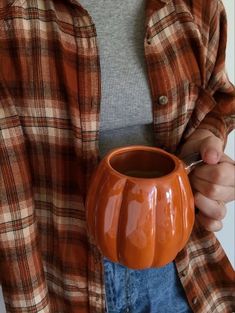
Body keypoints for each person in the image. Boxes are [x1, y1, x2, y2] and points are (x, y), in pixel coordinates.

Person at [0, 0, 234, 312]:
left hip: (181, 270)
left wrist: (207, 144)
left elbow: (218, 97)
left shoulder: (198, 6)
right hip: (63, 282)